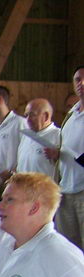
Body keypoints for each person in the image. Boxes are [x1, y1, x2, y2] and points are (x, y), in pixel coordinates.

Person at [54, 66, 84, 249]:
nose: (81, 83)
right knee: (68, 247)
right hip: (66, 189)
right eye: (77, 79)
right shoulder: (71, 115)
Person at [16, 98, 60, 177]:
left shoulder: (59, 136)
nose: (27, 119)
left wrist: (58, 156)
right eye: (26, 115)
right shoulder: (26, 136)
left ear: (46, 116)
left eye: (32, 115)